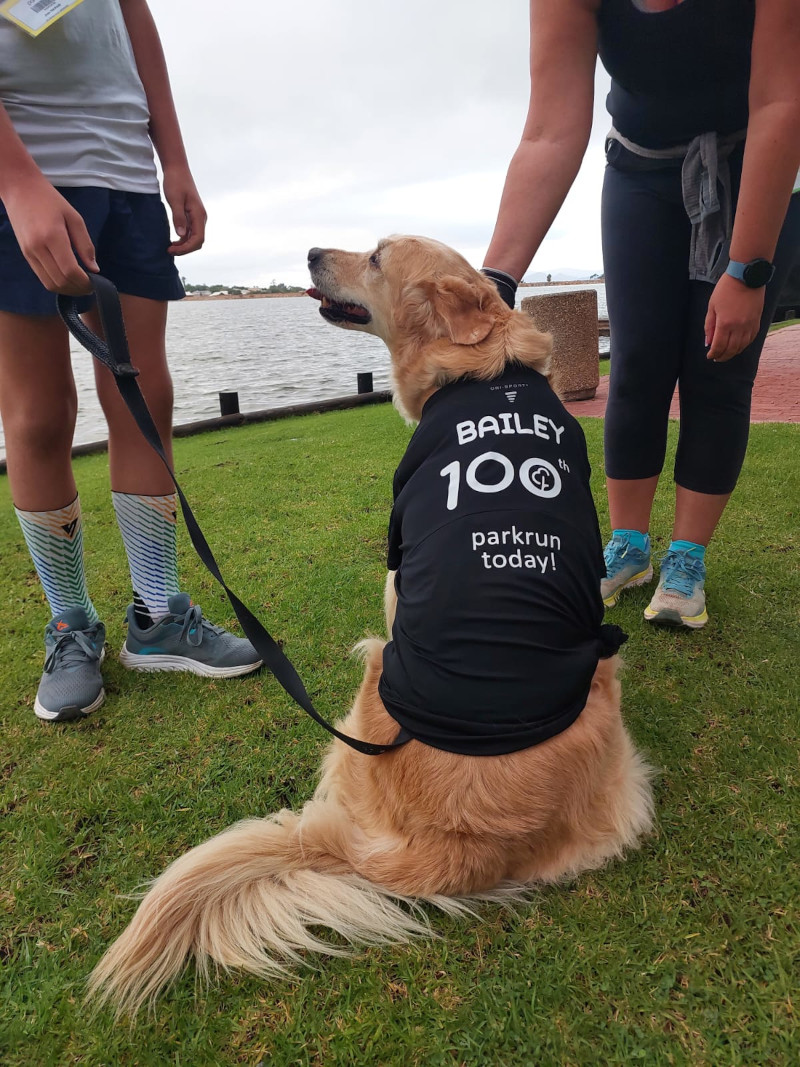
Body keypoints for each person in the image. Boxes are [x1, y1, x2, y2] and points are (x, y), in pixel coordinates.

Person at [482, 0, 800, 629]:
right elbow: (549, 131)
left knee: (720, 366)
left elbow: (781, 105)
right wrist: (493, 283)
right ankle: (627, 549)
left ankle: (687, 560)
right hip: (638, 171)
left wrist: (748, 271)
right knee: (636, 366)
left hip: (752, 159)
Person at [0, 0, 262, 724]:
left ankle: (159, 614)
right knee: (38, 411)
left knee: (144, 394)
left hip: (127, 172)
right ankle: (71, 625)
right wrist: (17, 182)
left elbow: (135, 23)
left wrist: (172, 158)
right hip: (23, 171)